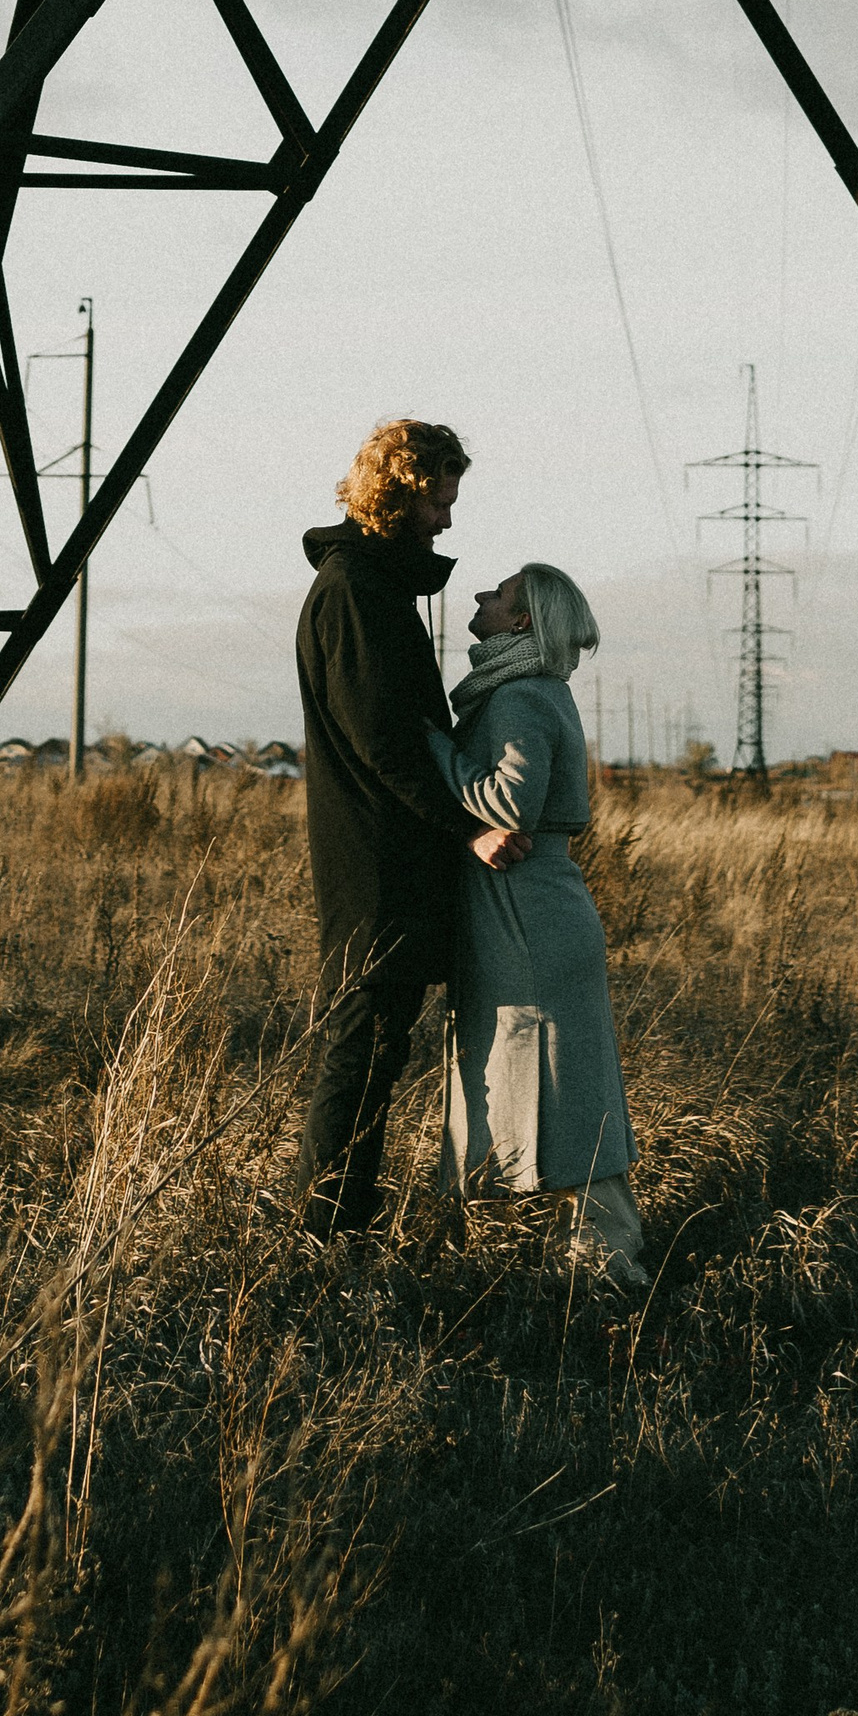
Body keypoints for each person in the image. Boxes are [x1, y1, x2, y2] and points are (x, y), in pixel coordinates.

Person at [295, 417, 529, 1242]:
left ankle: (337, 1226)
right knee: (361, 1051)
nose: (448, 519)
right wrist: (466, 827)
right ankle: (328, 1233)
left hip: (381, 855)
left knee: (374, 1048)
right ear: (400, 494)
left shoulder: (371, 585)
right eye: (439, 498)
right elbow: (387, 743)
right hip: (376, 863)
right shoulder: (356, 592)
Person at [430, 561, 646, 1290]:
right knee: (568, 1078)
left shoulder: (519, 695)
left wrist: (430, 747)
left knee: (564, 1081)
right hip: (543, 906)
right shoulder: (533, 689)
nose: (483, 596)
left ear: (522, 622)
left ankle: (604, 1271)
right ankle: (597, 1262)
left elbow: (508, 802)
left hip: (529, 913)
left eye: (500, 593)